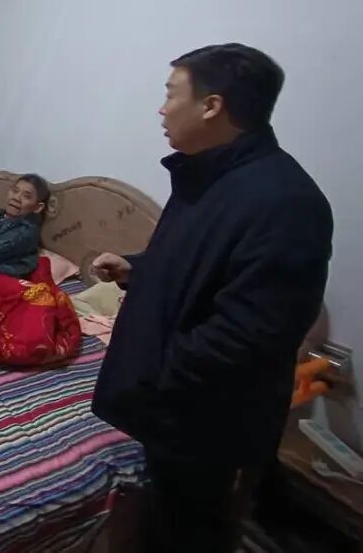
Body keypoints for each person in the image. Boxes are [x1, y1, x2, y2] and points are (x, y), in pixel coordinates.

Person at [91, 44, 332, 553]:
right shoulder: (207, 176)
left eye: (170, 95)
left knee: (188, 538)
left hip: (204, 428)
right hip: (169, 417)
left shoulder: (286, 203)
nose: (161, 110)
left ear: (211, 106)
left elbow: (250, 336)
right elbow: (201, 265)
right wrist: (138, 268)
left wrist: (157, 375)